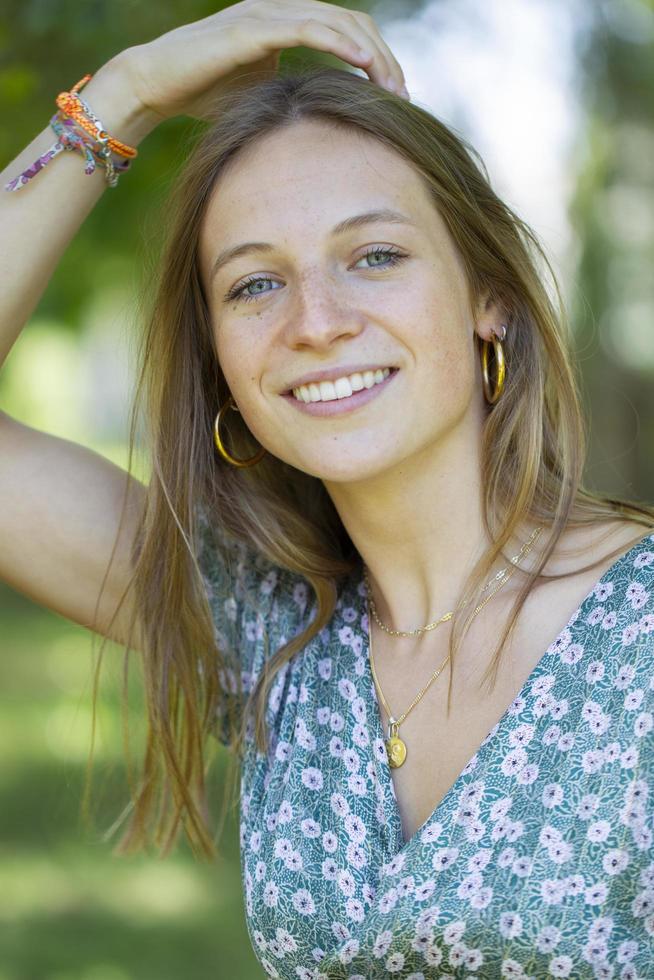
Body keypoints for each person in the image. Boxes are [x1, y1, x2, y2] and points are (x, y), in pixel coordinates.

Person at [2, 1, 653, 976]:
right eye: (255, 284)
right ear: (222, 359)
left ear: (493, 303)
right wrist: (123, 93)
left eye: (375, 256)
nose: (316, 321)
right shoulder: (271, 638)